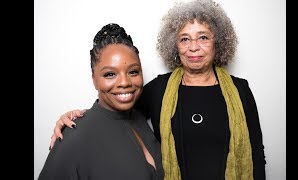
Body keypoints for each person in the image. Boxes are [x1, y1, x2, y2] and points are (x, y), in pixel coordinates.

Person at [49, 0, 266, 179]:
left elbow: (256, 154)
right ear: (175, 45)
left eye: (203, 37)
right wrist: (76, 118)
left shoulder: (240, 89)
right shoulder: (160, 89)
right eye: (184, 39)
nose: (193, 47)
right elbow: (117, 112)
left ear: (217, 41)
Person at [38, 23, 164, 180]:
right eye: (110, 74)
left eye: (133, 72)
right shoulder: (73, 137)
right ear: (94, 80)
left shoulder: (138, 118)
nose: (124, 82)